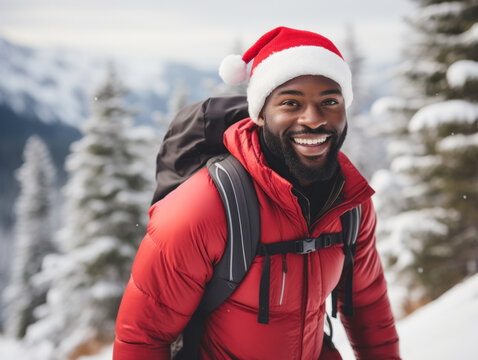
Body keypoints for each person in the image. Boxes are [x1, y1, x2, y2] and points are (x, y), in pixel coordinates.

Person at [113, 26, 400, 359]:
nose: (313, 119)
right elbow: (142, 339)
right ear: (260, 115)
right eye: (291, 103)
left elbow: (366, 303)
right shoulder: (204, 207)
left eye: (330, 101)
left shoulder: (350, 203)